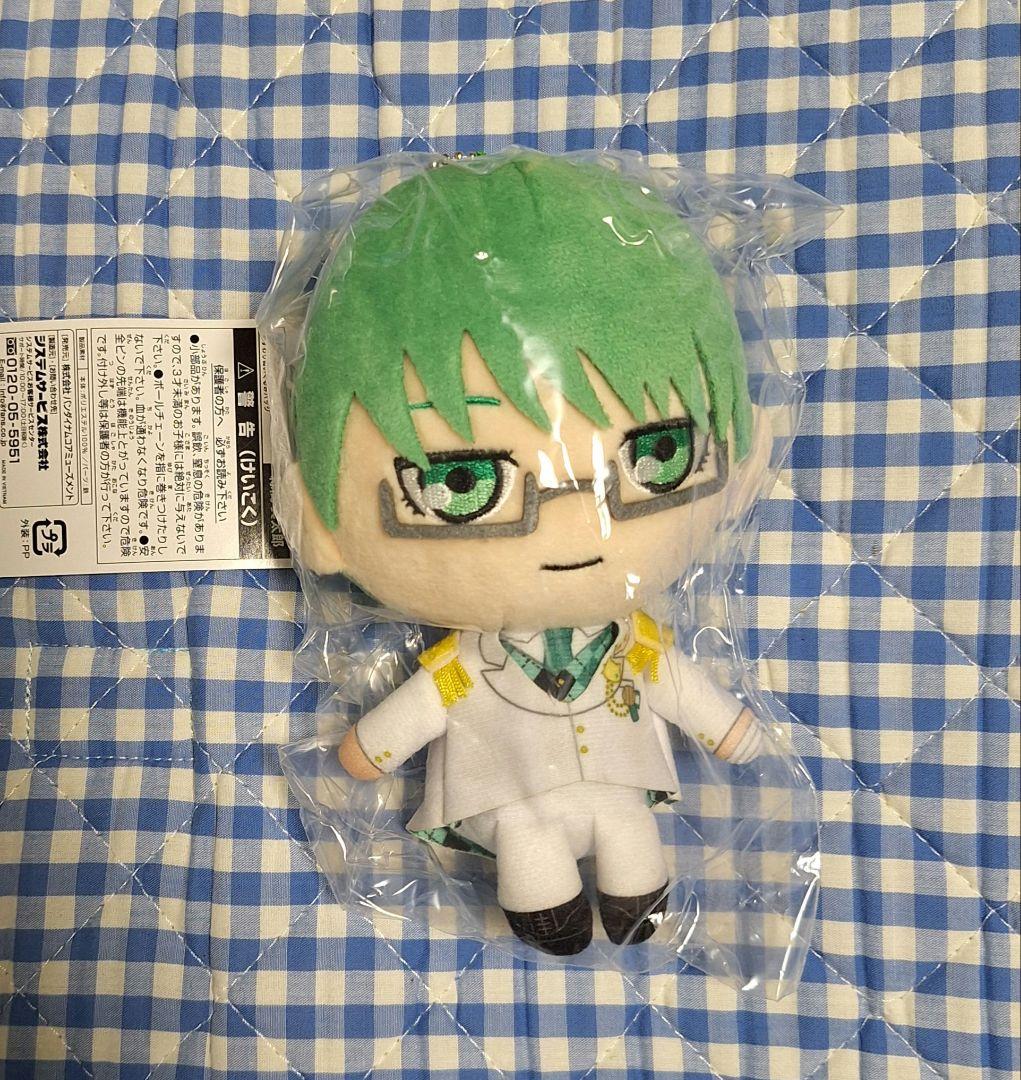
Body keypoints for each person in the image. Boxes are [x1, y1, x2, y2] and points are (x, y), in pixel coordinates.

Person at [288, 151, 771, 955]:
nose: (575, 526)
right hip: (509, 801)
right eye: (464, 484)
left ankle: (636, 897)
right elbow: (421, 707)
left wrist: (729, 730)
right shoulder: (465, 666)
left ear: (741, 464)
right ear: (318, 521)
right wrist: (372, 750)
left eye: (657, 458)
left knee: (626, 824)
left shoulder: (632, 645)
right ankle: (544, 903)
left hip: (617, 783)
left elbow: (678, 686)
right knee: (527, 838)